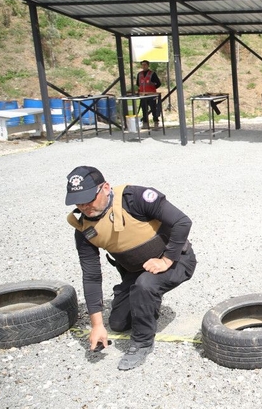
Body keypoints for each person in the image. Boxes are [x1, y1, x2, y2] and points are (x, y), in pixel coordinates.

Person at [64, 166, 196, 370]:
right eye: (78, 201)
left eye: (89, 198)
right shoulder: (84, 230)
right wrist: (97, 325)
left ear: (106, 188)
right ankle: (147, 303)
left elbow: (182, 221)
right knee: (117, 323)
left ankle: (142, 344)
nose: (84, 206)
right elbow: (91, 276)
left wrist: (166, 261)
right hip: (136, 271)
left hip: (177, 260)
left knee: (145, 285)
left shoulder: (134, 198)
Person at [136, 60, 162, 127]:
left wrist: (152, 89)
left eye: (145, 64)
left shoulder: (152, 74)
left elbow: (158, 83)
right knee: (144, 109)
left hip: (151, 95)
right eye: (142, 65)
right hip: (143, 95)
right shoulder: (139, 74)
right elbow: (138, 84)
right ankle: (145, 123)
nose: (143, 66)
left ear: (148, 65)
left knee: (153, 109)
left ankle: (156, 122)